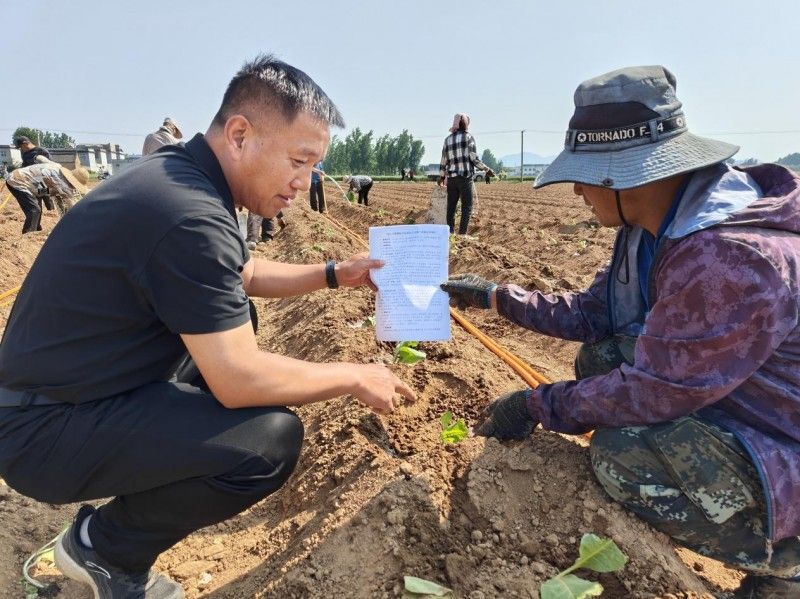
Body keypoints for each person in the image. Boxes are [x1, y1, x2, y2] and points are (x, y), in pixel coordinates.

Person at [0, 54, 415, 599]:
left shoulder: (180, 179)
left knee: (235, 320)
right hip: (40, 433)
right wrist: (354, 375)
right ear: (240, 134)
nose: (305, 181)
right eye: (299, 159)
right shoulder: (189, 213)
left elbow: (243, 273)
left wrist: (337, 273)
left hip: (55, 400)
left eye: (313, 165)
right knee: (268, 440)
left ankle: (144, 481)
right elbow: (238, 378)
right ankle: (105, 549)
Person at [441, 65, 800, 597]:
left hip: (783, 440)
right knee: (601, 358)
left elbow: (651, 390)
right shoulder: (653, 226)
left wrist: (538, 404)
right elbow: (594, 312)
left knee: (620, 455)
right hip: (737, 395)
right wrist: (497, 297)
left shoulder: (726, 260)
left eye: (584, 177)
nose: (579, 193)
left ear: (621, 175)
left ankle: (784, 561)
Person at [438, 113, 494, 235]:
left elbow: (444, 160)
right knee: (466, 206)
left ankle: (450, 233)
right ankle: (462, 234)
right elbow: (474, 159)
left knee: (451, 207)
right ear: (465, 123)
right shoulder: (468, 137)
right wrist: (486, 169)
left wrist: (442, 176)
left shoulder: (447, 140)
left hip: (452, 179)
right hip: (465, 178)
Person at [5, 160, 88, 233]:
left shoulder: (57, 166)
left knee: (40, 204)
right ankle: (28, 234)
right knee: (34, 210)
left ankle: (36, 230)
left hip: (31, 182)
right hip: (17, 181)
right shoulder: (62, 184)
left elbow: (40, 158)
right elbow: (71, 206)